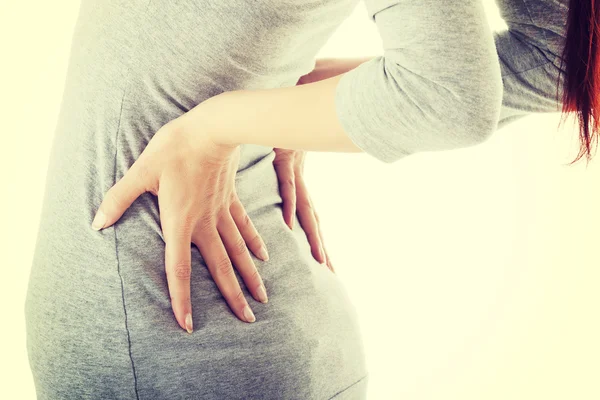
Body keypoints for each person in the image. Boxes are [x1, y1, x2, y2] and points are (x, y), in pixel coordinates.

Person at [24, 0, 586, 399]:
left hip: (179, 347)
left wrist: (213, 128)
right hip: (228, 331)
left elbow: (450, 97)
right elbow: (559, 57)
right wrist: (292, 110)